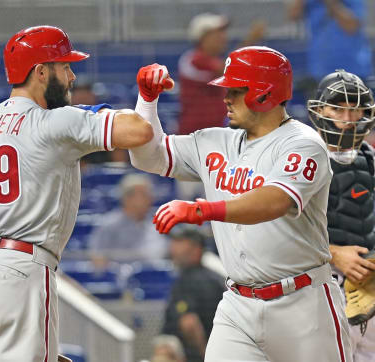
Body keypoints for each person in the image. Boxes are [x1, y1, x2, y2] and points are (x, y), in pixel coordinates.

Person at [0, 25, 153, 362]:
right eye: (65, 67)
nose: (71, 77)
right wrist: (119, 106)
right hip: (19, 268)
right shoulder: (55, 121)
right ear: (41, 72)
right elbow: (140, 131)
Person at [129, 46, 352, 361]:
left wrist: (203, 210)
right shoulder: (215, 141)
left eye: (235, 90)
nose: (226, 98)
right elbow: (149, 157)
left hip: (303, 303)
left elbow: (274, 202)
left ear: (264, 94)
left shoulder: (303, 143)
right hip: (238, 303)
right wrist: (147, 101)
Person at [307, 69, 375, 362]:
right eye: (337, 108)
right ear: (320, 110)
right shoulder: (301, 156)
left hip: (368, 285)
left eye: (354, 109)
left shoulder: (369, 156)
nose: (347, 118)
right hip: (320, 284)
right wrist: (334, 254)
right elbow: (281, 228)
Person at [177, 13, 265, 135]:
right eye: (217, 34)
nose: (223, 38)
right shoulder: (194, 59)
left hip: (214, 136)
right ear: (203, 37)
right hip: (194, 137)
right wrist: (251, 41)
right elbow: (228, 69)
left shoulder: (212, 61)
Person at [162, 225, 225, 362]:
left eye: (180, 242)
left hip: (193, 355)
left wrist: (205, 356)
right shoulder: (216, 278)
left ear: (196, 249)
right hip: (219, 349)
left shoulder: (187, 280)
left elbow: (189, 323)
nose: (173, 248)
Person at [89, 173, 167, 268]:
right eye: (144, 195)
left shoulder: (156, 225)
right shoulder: (109, 225)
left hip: (151, 278)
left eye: (148, 195)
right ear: (126, 198)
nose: (150, 199)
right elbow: (97, 259)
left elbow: (162, 255)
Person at [287, 0, 372, 81]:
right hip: (320, 68)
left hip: (352, 68)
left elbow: (351, 26)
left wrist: (331, 3)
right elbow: (294, 16)